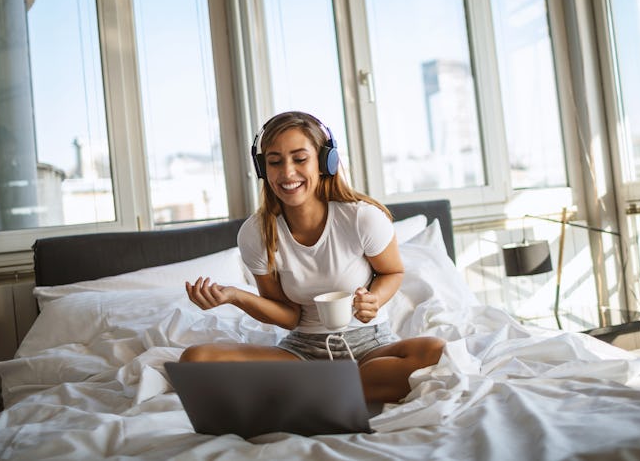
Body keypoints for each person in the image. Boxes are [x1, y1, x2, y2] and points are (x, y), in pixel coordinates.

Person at [180, 111, 445, 403]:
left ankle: (309, 392)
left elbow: (392, 272)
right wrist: (235, 296)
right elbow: (289, 315)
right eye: (275, 161)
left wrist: (375, 300)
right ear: (262, 168)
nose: (287, 172)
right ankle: (337, 391)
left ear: (323, 161)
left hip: (370, 347)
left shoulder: (362, 218)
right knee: (197, 359)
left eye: (299, 158)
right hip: (303, 352)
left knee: (435, 352)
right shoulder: (256, 234)